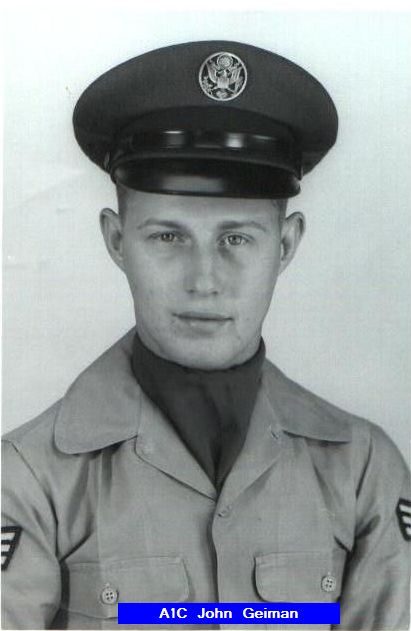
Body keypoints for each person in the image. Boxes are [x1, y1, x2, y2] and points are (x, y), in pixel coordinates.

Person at [2, 40, 410, 630]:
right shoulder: (28, 478)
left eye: (237, 238)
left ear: (286, 245)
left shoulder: (363, 471)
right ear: (118, 242)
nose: (204, 281)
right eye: (167, 237)